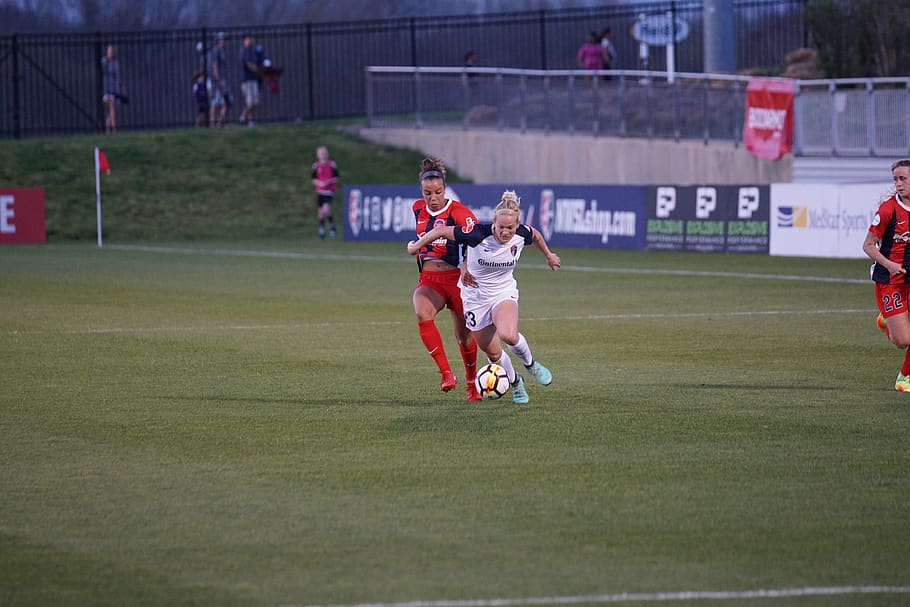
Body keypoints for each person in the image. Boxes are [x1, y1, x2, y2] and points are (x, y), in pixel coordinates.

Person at [407, 190, 561, 405]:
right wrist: (416, 246)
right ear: (493, 224)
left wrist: (549, 256)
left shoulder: (522, 233)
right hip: (475, 298)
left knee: (508, 335)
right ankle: (516, 381)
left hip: (502, 292)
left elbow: (535, 235)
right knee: (493, 353)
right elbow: (441, 230)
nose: (505, 232)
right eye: (501, 227)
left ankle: (531, 363)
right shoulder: (477, 233)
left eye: (510, 228)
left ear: (517, 225)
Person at [409, 158, 482, 402]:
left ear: (445, 189)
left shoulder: (458, 212)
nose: (433, 198)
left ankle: (472, 385)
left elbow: (476, 238)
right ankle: (446, 374)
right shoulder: (417, 209)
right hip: (430, 280)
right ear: (422, 191)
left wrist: (465, 265)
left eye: (438, 192)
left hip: (458, 280)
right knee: (421, 310)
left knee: (465, 336)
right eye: (427, 193)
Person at [863, 158, 910, 392]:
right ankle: (887, 321)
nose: (899, 184)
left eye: (903, 179)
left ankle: (904, 377)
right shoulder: (888, 209)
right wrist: (889, 264)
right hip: (890, 280)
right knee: (902, 341)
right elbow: (868, 245)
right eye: (895, 180)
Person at [311, 146, 338, 239]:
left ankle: (330, 228)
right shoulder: (315, 166)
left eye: (324, 153)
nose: (322, 155)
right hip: (320, 191)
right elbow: (313, 179)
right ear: (317, 155)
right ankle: (324, 230)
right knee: (321, 213)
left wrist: (328, 182)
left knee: (325, 210)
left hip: (329, 191)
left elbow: (336, 178)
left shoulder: (332, 164)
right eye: (320, 153)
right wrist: (320, 183)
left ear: (327, 154)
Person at [239, 34, 261, 126]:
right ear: (244, 41)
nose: (250, 41)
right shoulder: (243, 51)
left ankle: (250, 120)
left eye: (250, 39)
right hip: (247, 80)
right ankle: (243, 117)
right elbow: (248, 64)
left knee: (255, 102)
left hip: (254, 79)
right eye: (248, 39)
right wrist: (257, 70)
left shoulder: (252, 52)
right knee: (250, 101)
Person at [208, 32, 229, 127]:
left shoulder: (221, 51)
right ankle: (213, 123)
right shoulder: (215, 51)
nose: (225, 42)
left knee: (223, 102)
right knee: (216, 103)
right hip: (217, 82)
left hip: (221, 81)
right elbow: (214, 66)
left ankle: (219, 122)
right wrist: (219, 80)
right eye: (223, 40)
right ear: (218, 41)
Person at [100, 45, 121, 133]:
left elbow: (118, 76)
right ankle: (114, 128)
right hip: (106, 88)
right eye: (109, 51)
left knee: (113, 109)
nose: (110, 53)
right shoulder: (104, 62)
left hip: (114, 88)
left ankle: (108, 125)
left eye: (112, 51)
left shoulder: (115, 63)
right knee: (112, 107)